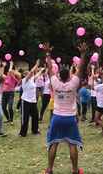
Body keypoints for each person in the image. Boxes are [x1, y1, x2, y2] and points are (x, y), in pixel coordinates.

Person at [44, 42, 87, 174]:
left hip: (57, 117)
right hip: (70, 118)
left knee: (53, 143)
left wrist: (48, 53)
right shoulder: (73, 84)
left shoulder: (55, 83)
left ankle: (49, 169)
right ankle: (74, 170)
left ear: (59, 76)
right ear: (69, 76)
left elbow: (50, 68)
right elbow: (80, 69)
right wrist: (83, 53)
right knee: (72, 144)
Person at [19, 60, 43, 137]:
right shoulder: (24, 81)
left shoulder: (32, 80)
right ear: (24, 75)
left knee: (35, 116)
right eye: (26, 73)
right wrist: (36, 65)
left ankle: (35, 130)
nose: (28, 74)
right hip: (25, 101)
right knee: (25, 118)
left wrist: (42, 70)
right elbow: (31, 72)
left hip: (33, 101)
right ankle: (22, 133)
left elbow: (37, 75)